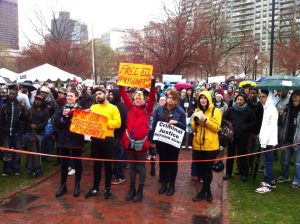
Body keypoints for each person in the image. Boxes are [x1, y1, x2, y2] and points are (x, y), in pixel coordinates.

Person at [119, 79, 156, 202]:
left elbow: (152, 98)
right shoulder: (130, 108)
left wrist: (152, 84)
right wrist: (121, 85)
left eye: (140, 98)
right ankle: (132, 189)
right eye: (136, 98)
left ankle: (140, 191)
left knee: (141, 167)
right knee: (132, 166)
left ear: (144, 100)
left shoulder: (147, 109)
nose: (138, 99)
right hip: (130, 142)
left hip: (142, 144)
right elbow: (124, 96)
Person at [85, 87, 121, 199]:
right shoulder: (93, 107)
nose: (98, 96)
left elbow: (118, 123)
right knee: (96, 165)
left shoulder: (113, 108)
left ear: (106, 94)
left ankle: (108, 188)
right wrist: (84, 115)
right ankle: (95, 187)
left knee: (107, 165)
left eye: (100, 93)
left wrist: (104, 121)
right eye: (96, 94)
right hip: (95, 139)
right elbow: (88, 121)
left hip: (108, 139)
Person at [150, 88, 186, 196]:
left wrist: (176, 122)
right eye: (169, 98)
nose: (170, 100)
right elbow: (154, 125)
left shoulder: (180, 111)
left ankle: (172, 184)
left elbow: (184, 127)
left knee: (172, 163)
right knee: (163, 163)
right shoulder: (159, 110)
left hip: (173, 142)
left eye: (173, 99)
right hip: (161, 142)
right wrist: (153, 140)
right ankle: (164, 183)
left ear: (177, 101)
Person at [190, 91, 222, 202]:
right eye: (201, 98)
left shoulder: (215, 111)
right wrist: (195, 122)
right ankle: (208, 192)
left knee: (207, 170)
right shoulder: (197, 111)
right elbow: (193, 129)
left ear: (209, 99)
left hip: (211, 146)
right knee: (202, 170)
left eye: (205, 98)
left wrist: (206, 120)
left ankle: (203, 192)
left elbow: (217, 128)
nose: (203, 100)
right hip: (198, 145)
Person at [54, 89, 85, 197]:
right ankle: (63, 185)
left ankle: (77, 185)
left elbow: (84, 127)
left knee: (77, 163)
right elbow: (56, 125)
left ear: (76, 97)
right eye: (68, 96)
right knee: (64, 163)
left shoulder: (81, 109)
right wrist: (63, 117)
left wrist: (73, 119)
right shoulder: (61, 108)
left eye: (71, 96)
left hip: (76, 140)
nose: (69, 97)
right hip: (64, 140)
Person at [223, 93, 256, 181]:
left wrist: (245, 128)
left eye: (241, 99)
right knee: (230, 154)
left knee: (242, 155)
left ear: (244, 100)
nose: (239, 101)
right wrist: (228, 127)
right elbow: (223, 119)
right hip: (232, 136)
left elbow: (253, 122)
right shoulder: (230, 110)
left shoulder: (249, 111)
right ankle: (228, 173)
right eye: (238, 99)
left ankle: (243, 173)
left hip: (243, 136)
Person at [255, 90, 278, 193]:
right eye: (260, 97)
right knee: (268, 161)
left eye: (263, 97)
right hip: (266, 139)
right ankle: (271, 180)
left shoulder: (271, 109)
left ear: (268, 97)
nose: (261, 99)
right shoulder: (267, 107)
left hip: (268, 141)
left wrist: (264, 141)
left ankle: (267, 183)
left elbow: (269, 127)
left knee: (268, 162)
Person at [276, 90, 300, 188]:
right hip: (287, 138)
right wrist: (280, 115)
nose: (294, 97)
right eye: (293, 95)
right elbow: (280, 124)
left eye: (297, 95)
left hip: (298, 139)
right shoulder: (287, 108)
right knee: (285, 159)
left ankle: (297, 180)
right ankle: (285, 176)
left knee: (298, 162)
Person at [1, 89, 27, 176]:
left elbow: (24, 119)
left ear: (16, 95)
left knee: (17, 151)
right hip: (6, 133)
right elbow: (2, 120)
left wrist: (22, 130)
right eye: (10, 94)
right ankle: (6, 170)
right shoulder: (4, 106)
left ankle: (16, 169)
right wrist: (2, 131)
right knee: (6, 151)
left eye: (13, 94)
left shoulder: (20, 106)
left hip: (17, 133)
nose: (11, 95)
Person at [25, 95, 49, 176]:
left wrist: (37, 126)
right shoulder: (30, 109)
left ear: (42, 102)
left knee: (38, 151)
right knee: (30, 151)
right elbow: (27, 120)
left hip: (40, 133)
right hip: (30, 133)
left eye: (39, 100)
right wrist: (31, 125)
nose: (37, 101)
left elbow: (45, 122)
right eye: (36, 100)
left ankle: (38, 169)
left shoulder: (45, 110)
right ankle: (30, 168)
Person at [110, 88, 128, 185]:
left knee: (117, 157)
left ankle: (120, 175)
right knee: (115, 156)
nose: (110, 96)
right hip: (115, 135)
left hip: (118, 135)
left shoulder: (120, 106)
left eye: (112, 94)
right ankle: (115, 173)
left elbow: (121, 123)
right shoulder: (115, 105)